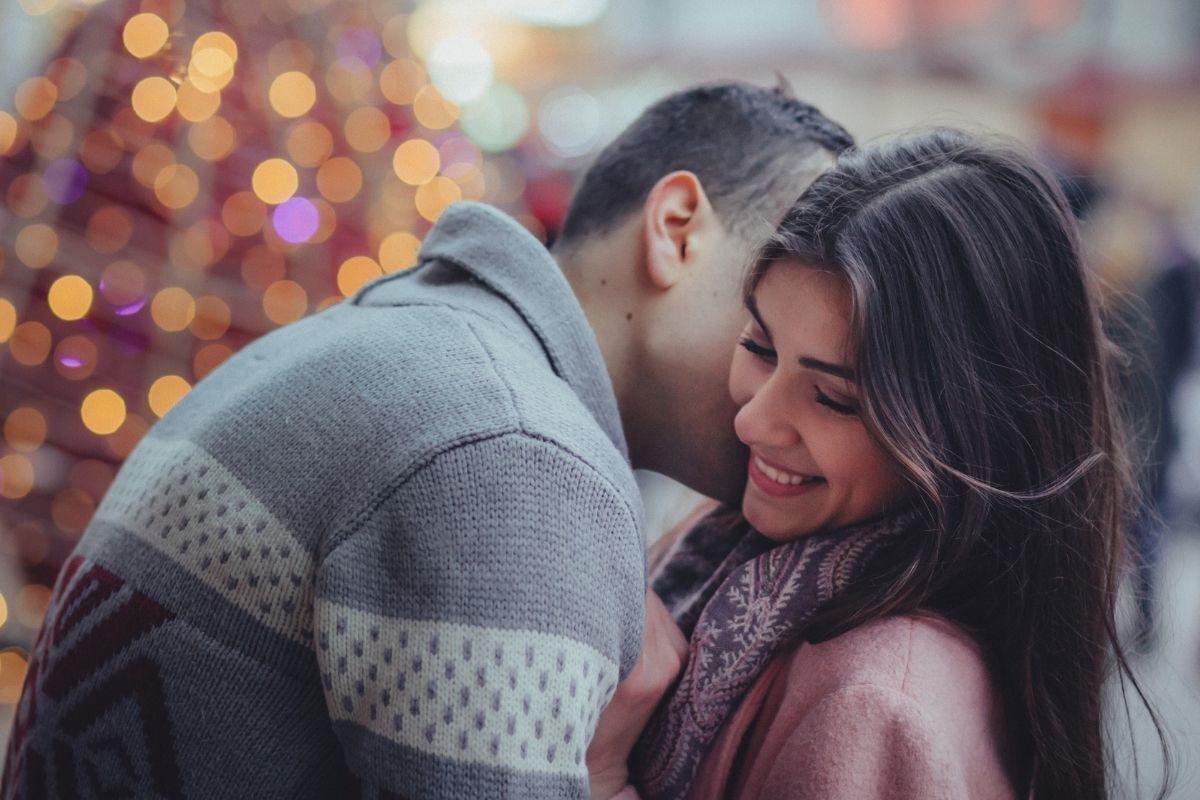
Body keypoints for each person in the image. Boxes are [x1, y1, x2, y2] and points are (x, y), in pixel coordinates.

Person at [0, 82, 852, 799]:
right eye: (772, 313)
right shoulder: (512, 454)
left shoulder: (417, 343)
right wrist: (599, 772)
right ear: (675, 229)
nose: (786, 402)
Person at [603, 128, 1166, 800]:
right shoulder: (740, 552)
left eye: (834, 397)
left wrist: (600, 776)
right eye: (759, 344)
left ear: (966, 432)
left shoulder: (876, 703)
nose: (753, 420)